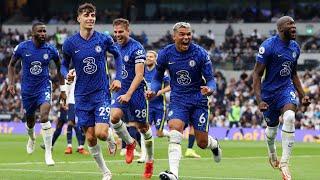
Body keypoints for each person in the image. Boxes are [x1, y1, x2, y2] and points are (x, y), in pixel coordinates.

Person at [146, 22, 222, 180]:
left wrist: (210, 89)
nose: (186, 37)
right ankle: (174, 173)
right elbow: (157, 77)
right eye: (182, 34)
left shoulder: (200, 53)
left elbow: (210, 80)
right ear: (174, 36)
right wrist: (153, 89)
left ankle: (214, 144)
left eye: (188, 34)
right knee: (174, 130)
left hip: (198, 99)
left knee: (201, 143)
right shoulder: (166, 53)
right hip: (178, 99)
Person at [61, 3, 121, 180]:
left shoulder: (103, 39)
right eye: (86, 15)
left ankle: (110, 137)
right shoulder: (70, 43)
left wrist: (117, 77)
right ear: (78, 18)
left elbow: (117, 55)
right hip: (81, 95)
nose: (90, 18)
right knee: (90, 137)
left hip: (101, 92)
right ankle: (105, 172)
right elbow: (64, 65)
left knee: (100, 133)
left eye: (93, 15)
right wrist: (67, 74)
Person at [253, 16, 310, 180]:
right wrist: (259, 100)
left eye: (294, 24)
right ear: (280, 28)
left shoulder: (295, 47)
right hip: (269, 93)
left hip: (286, 89)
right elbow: (256, 74)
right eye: (289, 24)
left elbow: (293, 73)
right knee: (271, 130)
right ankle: (272, 152)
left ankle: (284, 163)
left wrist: (303, 95)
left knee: (290, 117)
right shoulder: (268, 46)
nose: (294, 27)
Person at [7, 22, 65, 166]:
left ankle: (48, 154)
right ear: (33, 33)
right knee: (30, 120)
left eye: (44, 31)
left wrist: (63, 90)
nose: (43, 34)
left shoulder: (51, 49)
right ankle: (32, 137)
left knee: (45, 116)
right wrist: (11, 83)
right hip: (27, 90)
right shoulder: (22, 47)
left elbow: (60, 68)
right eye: (40, 31)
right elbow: (11, 65)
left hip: (44, 87)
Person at [111, 18, 154, 178]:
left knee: (143, 127)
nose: (118, 35)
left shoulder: (137, 48)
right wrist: (115, 80)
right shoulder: (114, 46)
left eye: (121, 32)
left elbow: (139, 74)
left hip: (136, 92)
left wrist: (129, 94)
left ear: (128, 31)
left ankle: (149, 160)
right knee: (114, 117)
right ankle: (130, 142)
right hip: (121, 89)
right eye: (115, 32)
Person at [41, 72, 89, 155]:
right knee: (60, 125)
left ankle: (79, 147)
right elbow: (66, 88)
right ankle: (51, 145)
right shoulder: (71, 73)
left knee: (73, 124)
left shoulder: (81, 72)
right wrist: (62, 102)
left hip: (74, 103)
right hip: (67, 103)